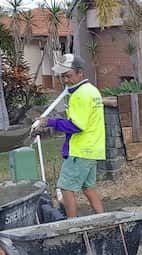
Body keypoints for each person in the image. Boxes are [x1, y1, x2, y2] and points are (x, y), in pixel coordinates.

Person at [33, 54, 105, 218]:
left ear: (80, 73)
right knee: (88, 188)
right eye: (62, 76)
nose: (65, 80)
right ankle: (105, 220)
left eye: (68, 76)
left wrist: (50, 122)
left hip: (80, 150)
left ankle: (71, 225)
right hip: (93, 149)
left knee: (66, 188)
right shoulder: (92, 90)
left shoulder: (80, 95)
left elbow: (76, 126)